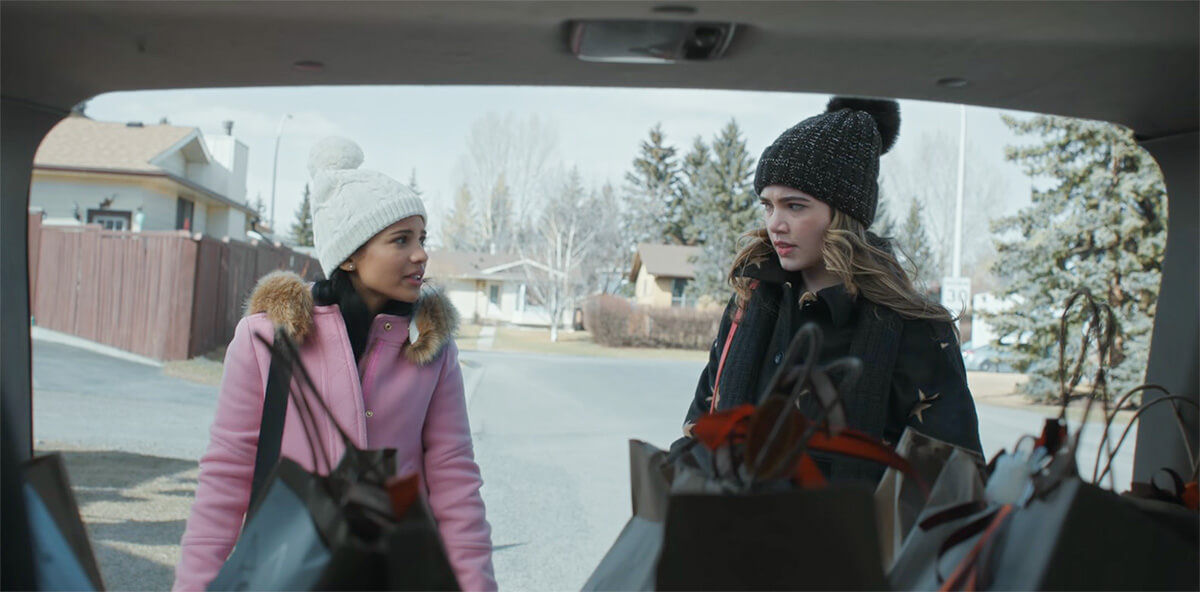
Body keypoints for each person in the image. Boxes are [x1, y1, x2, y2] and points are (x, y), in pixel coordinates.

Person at [173, 137, 496, 591]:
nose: (421, 253)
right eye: (401, 240)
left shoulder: (431, 348)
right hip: (288, 574)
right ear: (349, 255)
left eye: (422, 238)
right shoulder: (267, 339)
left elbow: (454, 479)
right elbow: (226, 474)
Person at [676, 97, 983, 484]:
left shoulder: (915, 328)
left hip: (854, 524)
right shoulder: (747, 304)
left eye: (795, 206)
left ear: (842, 215)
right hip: (728, 519)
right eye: (768, 205)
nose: (776, 223)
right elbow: (698, 432)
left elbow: (952, 480)